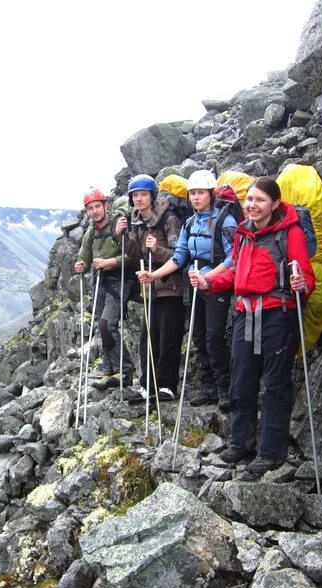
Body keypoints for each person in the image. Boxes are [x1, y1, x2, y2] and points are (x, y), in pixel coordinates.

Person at [189, 177, 315, 477]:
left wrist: (302, 284)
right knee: (241, 380)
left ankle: (271, 452)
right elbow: (236, 274)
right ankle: (240, 442)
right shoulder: (245, 234)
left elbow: (306, 276)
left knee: (275, 383)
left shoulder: (290, 233)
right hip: (246, 311)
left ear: (274, 203)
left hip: (278, 314)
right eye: (249, 199)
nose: (252, 205)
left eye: (259, 200)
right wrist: (210, 281)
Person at [137, 169, 236, 410]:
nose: (195, 197)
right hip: (194, 281)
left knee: (214, 336)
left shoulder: (225, 220)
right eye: (192, 193)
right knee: (199, 336)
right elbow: (180, 256)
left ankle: (224, 389)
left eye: (200, 192)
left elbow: (234, 256)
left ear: (211, 194)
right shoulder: (190, 222)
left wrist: (208, 276)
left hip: (216, 283)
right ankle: (208, 387)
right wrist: (154, 275)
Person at [116, 174, 185, 405]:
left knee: (168, 338)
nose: (139, 199)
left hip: (170, 287)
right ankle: (147, 385)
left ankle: (166, 386)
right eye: (135, 195)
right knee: (148, 338)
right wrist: (123, 236)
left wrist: (156, 249)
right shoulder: (136, 221)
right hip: (149, 289)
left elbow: (179, 255)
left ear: (152, 196)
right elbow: (135, 254)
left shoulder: (169, 218)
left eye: (143, 194)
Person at [75, 187, 136, 390]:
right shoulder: (90, 234)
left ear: (105, 206)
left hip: (120, 280)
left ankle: (125, 372)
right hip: (100, 282)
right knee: (101, 327)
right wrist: (80, 266)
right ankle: (109, 371)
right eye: (90, 208)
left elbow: (134, 256)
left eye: (97, 206)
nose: (94, 211)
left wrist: (110, 262)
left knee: (108, 324)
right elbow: (83, 259)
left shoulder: (119, 226)